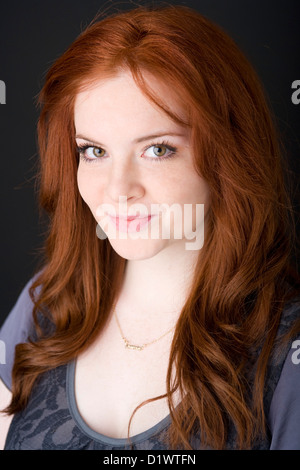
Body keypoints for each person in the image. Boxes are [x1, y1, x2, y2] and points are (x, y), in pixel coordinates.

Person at [0, 4, 300, 451]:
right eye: (94, 151)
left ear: (228, 155)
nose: (117, 190)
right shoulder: (47, 301)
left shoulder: (287, 351)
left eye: (157, 149)